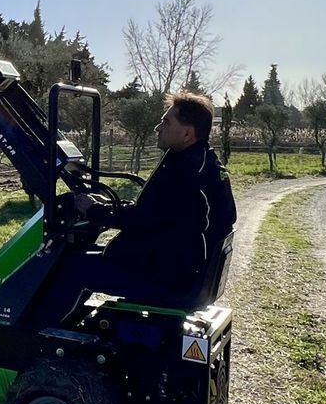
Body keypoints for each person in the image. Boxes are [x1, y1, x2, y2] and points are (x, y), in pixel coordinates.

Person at [73, 91, 234, 308]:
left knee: (71, 265)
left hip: (167, 278)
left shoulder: (186, 173)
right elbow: (156, 213)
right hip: (178, 269)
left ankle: (42, 335)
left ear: (187, 133)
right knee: (88, 257)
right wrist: (107, 207)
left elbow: (142, 219)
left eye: (166, 122)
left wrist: (95, 210)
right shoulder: (202, 163)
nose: (158, 129)